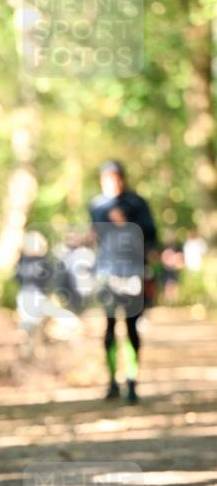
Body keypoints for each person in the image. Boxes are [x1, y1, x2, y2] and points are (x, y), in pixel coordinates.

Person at [88, 160, 157, 403]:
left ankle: (131, 381)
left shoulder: (137, 203)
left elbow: (151, 235)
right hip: (107, 272)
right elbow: (95, 235)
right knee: (108, 327)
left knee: (130, 327)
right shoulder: (96, 205)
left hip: (133, 271)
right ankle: (112, 382)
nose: (113, 183)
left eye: (116, 177)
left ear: (123, 178)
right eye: (107, 178)